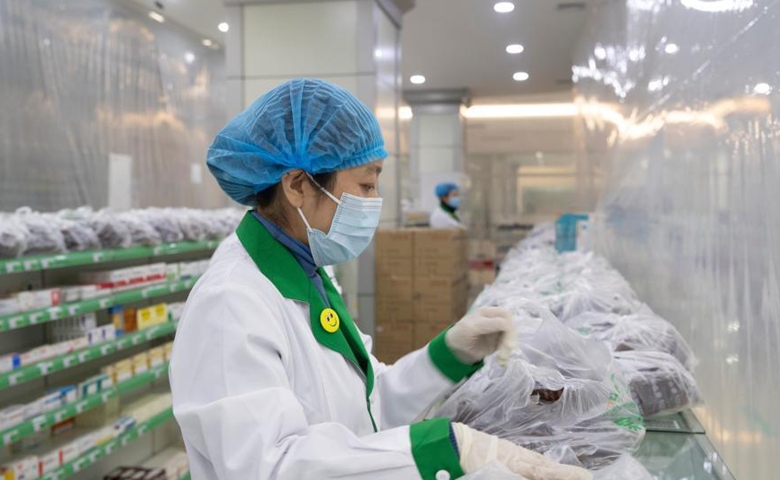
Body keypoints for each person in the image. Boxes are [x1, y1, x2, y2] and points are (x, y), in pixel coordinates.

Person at [168, 79, 590, 480]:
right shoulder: (231, 302)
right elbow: (269, 467)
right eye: (367, 185)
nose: (374, 202)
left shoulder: (308, 273)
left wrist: (446, 355)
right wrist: (443, 450)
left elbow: (364, 407)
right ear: (297, 185)